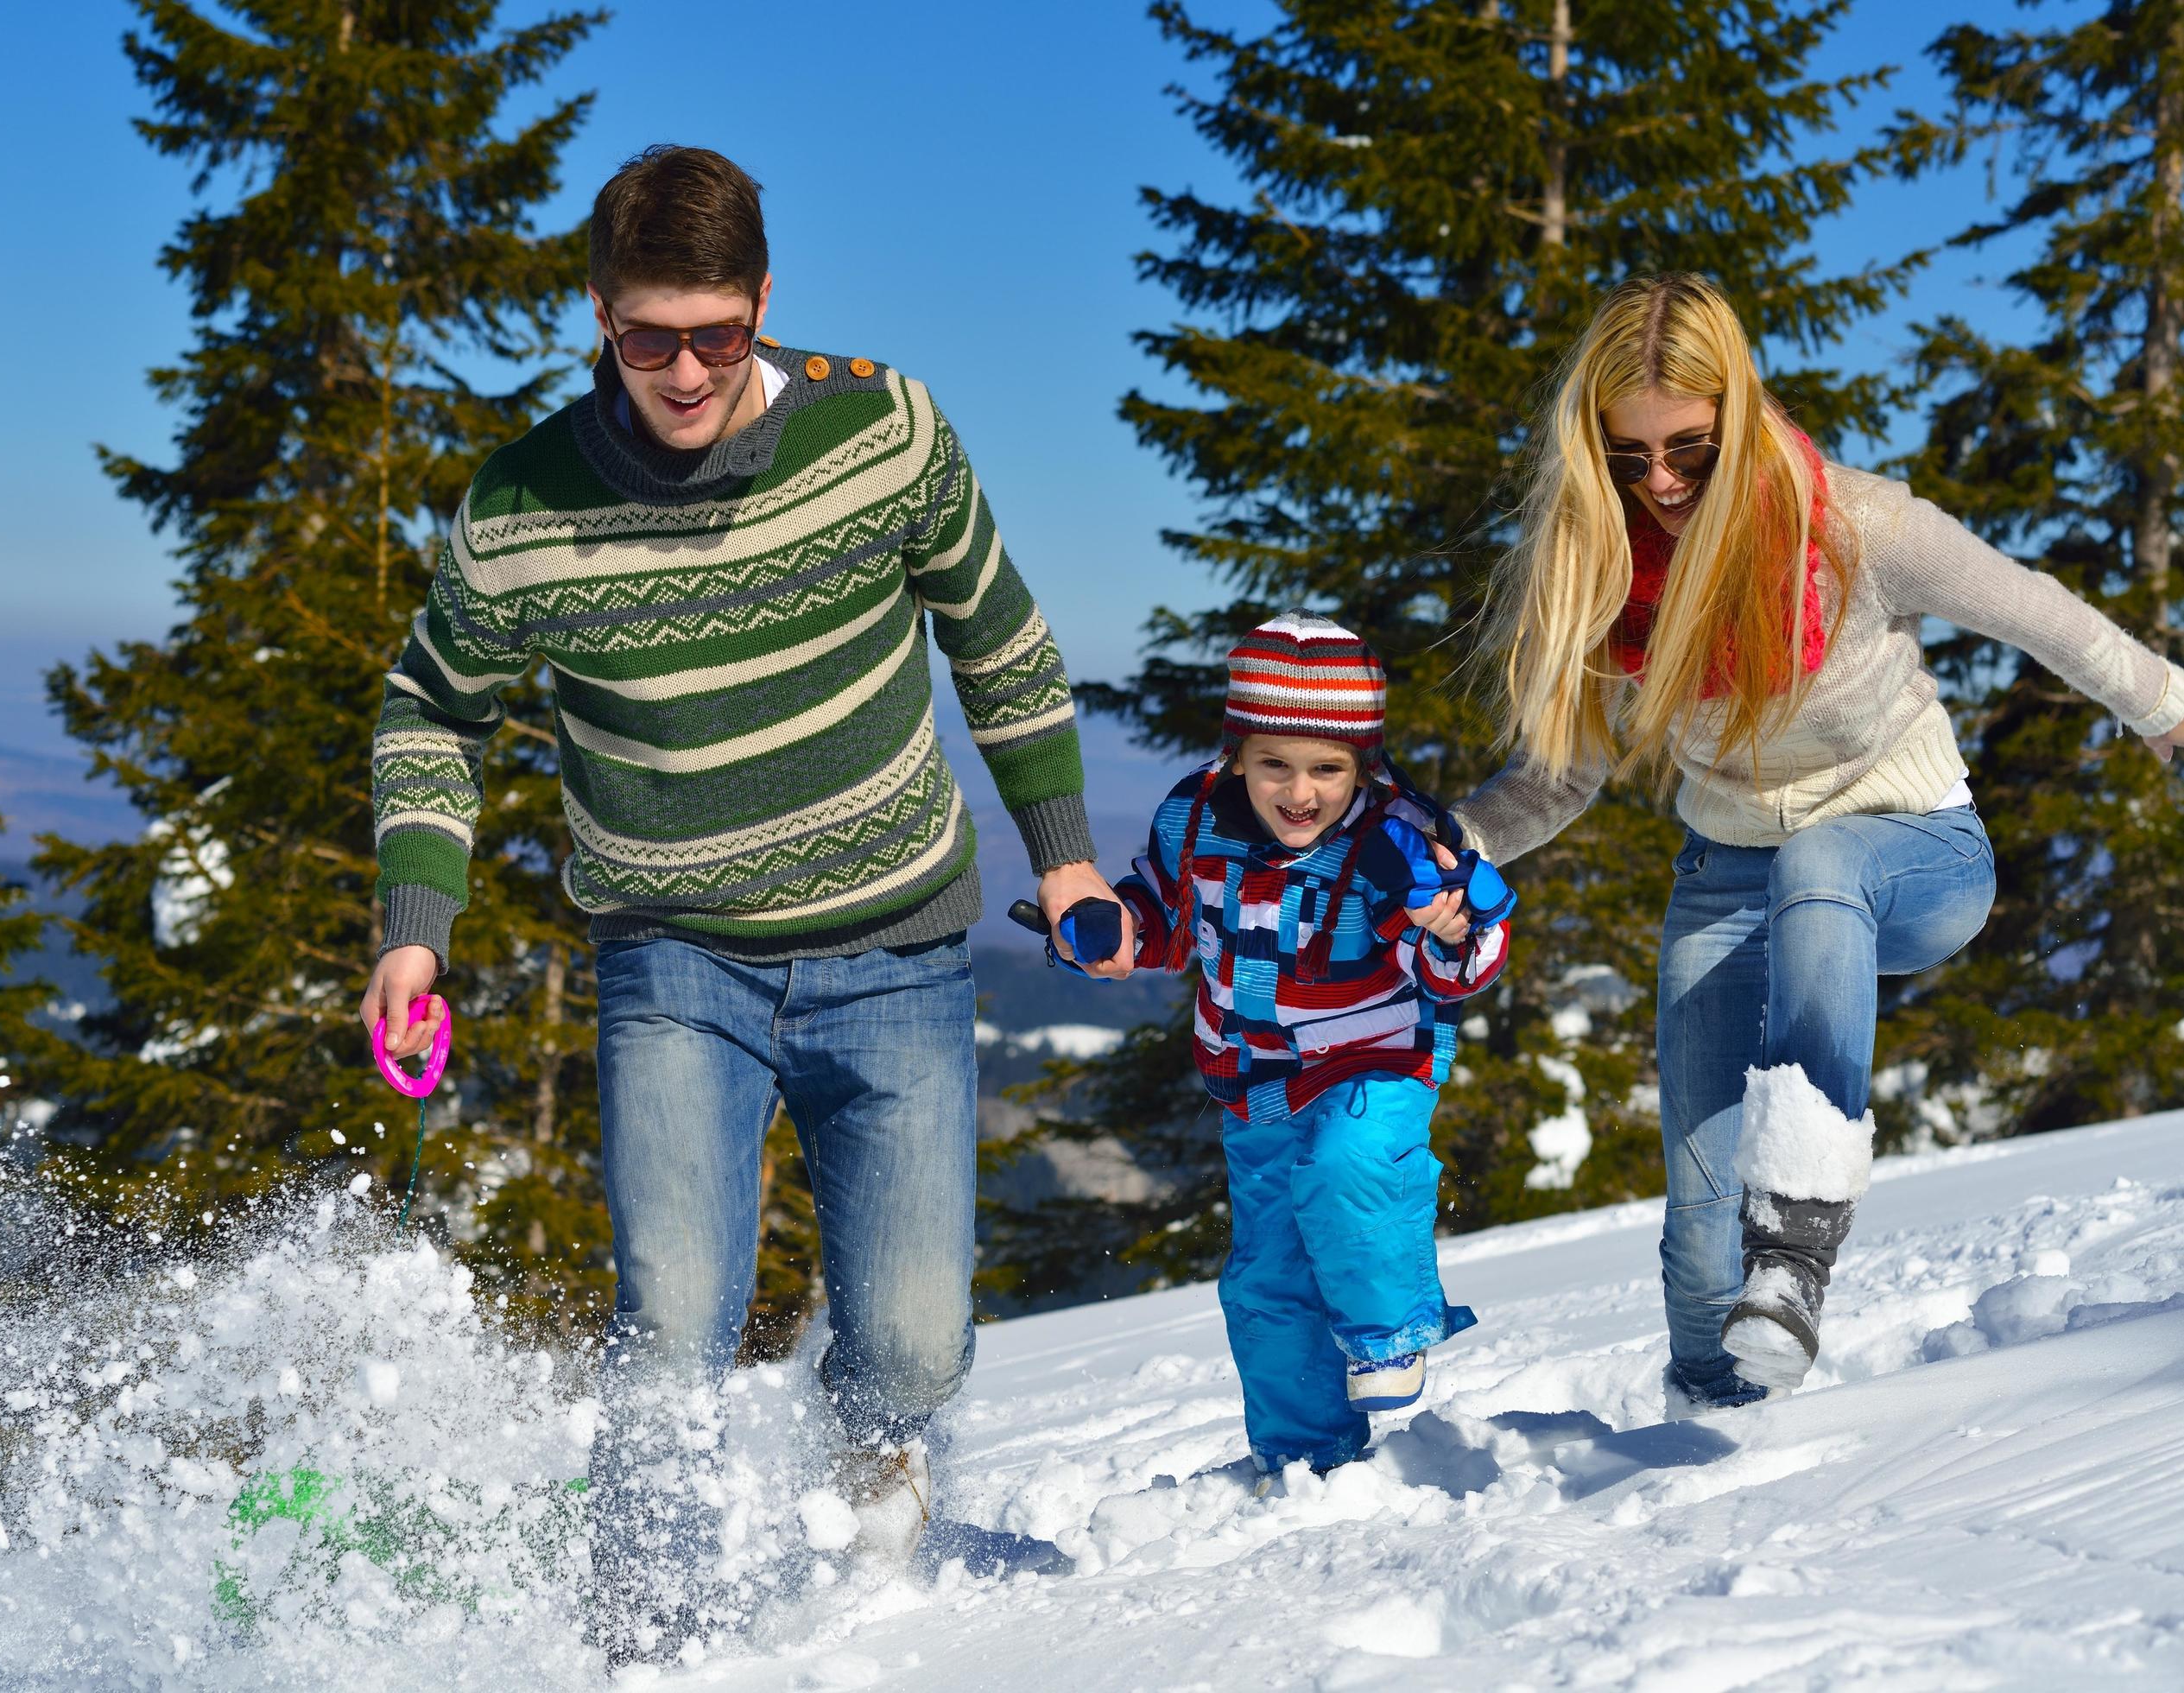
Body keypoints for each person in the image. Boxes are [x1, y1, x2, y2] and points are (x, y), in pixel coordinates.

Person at [356, 144, 1130, 1663]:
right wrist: (413, 929)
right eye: (650, 338)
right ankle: (640, 1637)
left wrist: (1063, 851)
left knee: (906, 1337)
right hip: (671, 964)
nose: (688, 371)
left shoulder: (885, 430)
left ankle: (873, 1514)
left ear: (766, 302)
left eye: (718, 333)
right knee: (671, 1323)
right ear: (599, 318)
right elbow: (428, 713)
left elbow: (1000, 638)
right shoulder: (524, 508)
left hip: (897, 946)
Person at [1456, 272, 2184, 1412]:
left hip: (1916, 856)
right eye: (1627, 455)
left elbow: (2041, 613)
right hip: (1726, 882)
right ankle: (1713, 1424)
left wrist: (2169, 717)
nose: (1659, 484)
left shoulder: (1855, 526)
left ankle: (1797, 1240)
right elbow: (1564, 775)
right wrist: (1440, 855)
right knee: (1699, 1215)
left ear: (1737, 417)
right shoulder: (1612, 574)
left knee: (1822, 863)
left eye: (1688, 450)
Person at [1105, 613, 1512, 1479]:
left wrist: (1449, 931)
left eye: (1327, 768)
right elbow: (1165, 917)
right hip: (1253, 1081)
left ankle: (1388, 1332)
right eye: (1274, 765)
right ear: (1236, 754)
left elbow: (1455, 964)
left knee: (1349, 1163)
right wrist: (1116, 928)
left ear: (1362, 765)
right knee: (1266, 1278)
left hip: (1374, 1058)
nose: (1300, 792)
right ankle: (1305, 1452)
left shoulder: (1392, 842)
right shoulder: (1195, 819)